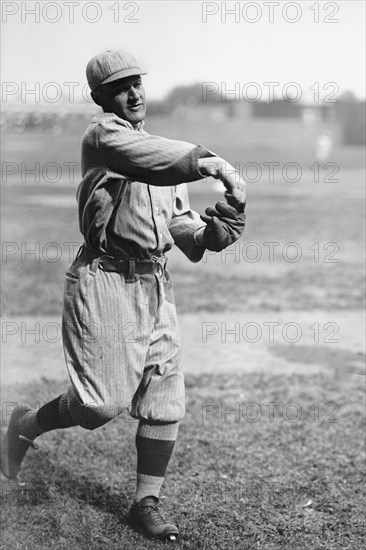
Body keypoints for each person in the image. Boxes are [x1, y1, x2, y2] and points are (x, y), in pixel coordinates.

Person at [1, 50, 246, 542]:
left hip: (155, 283)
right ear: (100, 98)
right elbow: (156, 162)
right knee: (99, 405)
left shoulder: (155, 150)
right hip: (105, 280)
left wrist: (218, 231)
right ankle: (25, 422)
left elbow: (183, 227)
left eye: (137, 83)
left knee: (164, 396)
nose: (134, 94)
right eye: (120, 87)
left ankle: (145, 502)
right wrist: (210, 162)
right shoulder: (105, 137)